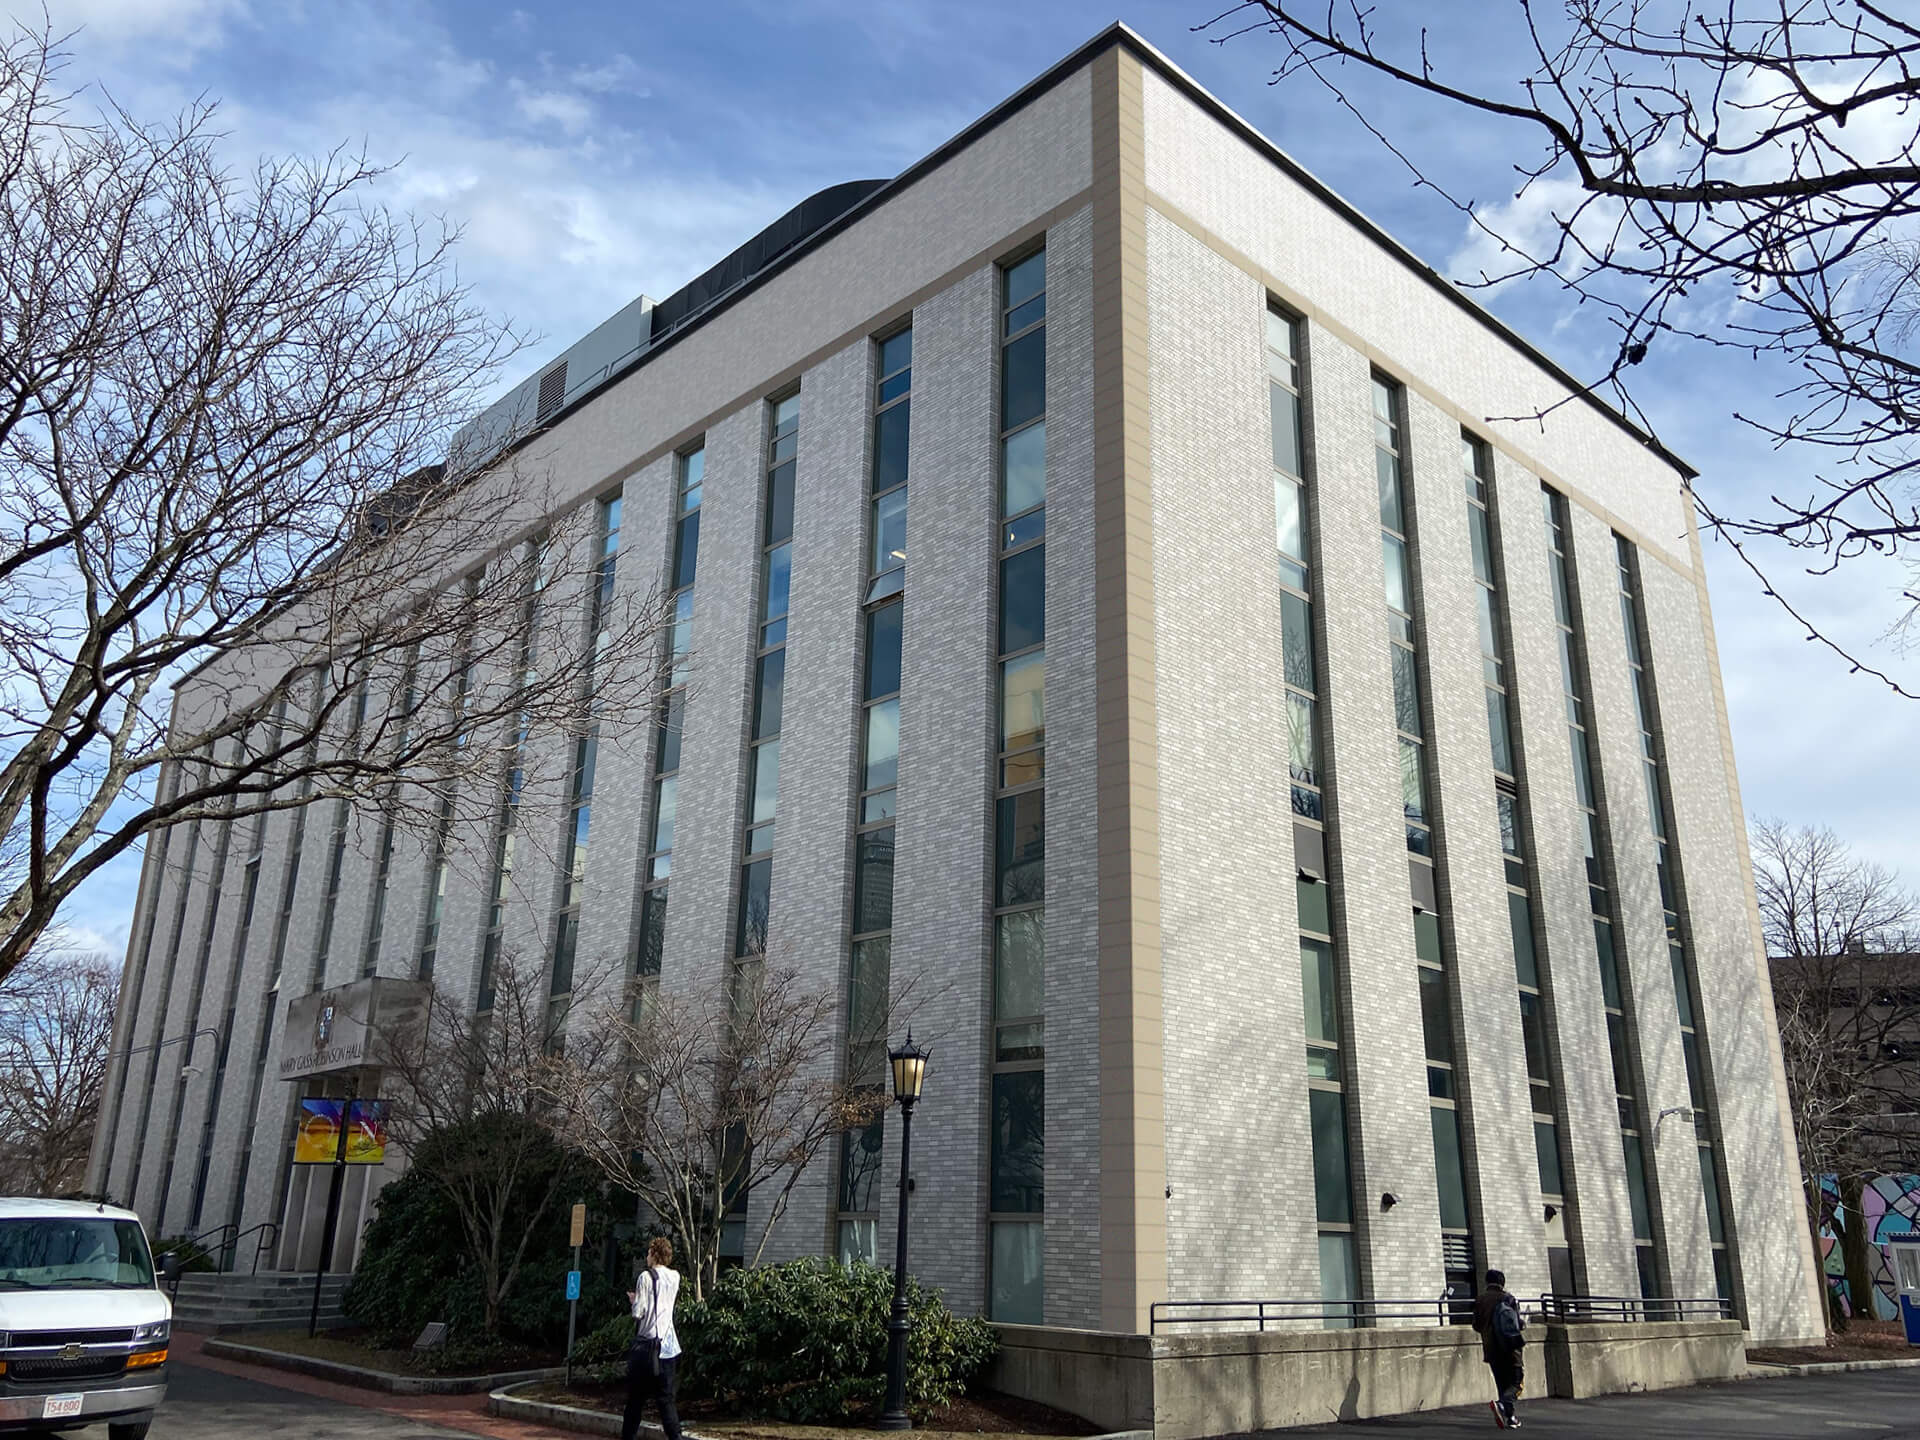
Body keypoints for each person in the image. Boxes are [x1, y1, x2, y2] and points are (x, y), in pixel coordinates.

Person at [622, 1236, 684, 1440]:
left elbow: (638, 1313)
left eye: (649, 1253)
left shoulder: (645, 1278)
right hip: (669, 1347)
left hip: (647, 1348)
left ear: (654, 1254)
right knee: (666, 1400)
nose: (647, 1256)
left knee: (635, 1401)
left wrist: (633, 1300)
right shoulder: (675, 1277)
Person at [1471, 1267, 1526, 1429]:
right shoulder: (1508, 1298)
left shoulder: (1480, 1300)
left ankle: (1510, 1418)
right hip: (1510, 1348)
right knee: (1517, 1382)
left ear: (1487, 1282)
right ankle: (1503, 1405)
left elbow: (1476, 1325)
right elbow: (1518, 1323)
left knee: (1502, 1384)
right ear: (1502, 1282)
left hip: (1491, 1349)